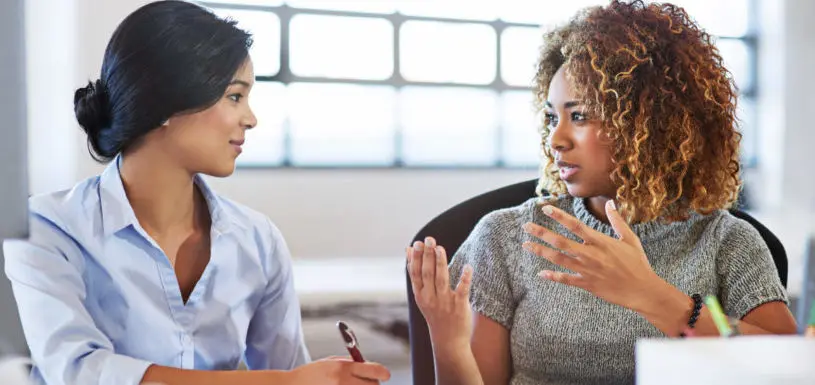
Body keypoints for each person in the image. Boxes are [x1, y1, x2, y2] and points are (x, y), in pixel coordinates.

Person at [406, 1, 797, 384]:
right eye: (551, 117)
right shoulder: (506, 237)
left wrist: (656, 297)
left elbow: (783, 364)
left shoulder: (725, 243)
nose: (555, 139)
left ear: (651, 123)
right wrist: (447, 340)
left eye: (579, 116)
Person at [2, 1, 390, 385]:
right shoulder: (46, 228)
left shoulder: (258, 241)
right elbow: (79, 373)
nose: (251, 119)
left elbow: (288, 371)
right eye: (235, 96)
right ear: (167, 102)